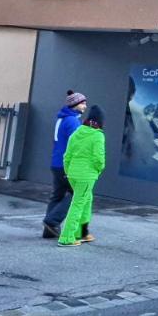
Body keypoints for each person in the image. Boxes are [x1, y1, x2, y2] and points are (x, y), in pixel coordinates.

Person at [58, 105, 106, 247]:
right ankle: (67, 237)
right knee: (78, 203)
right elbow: (99, 159)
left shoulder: (77, 132)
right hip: (86, 175)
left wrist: (68, 171)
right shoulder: (98, 135)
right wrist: (99, 170)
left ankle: (82, 232)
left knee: (86, 199)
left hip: (73, 173)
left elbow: (67, 156)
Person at [43, 90, 86, 239]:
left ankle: (49, 230)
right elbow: (78, 144)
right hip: (66, 165)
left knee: (57, 195)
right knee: (78, 193)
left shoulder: (61, 119)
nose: (85, 106)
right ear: (74, 104)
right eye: (82, 103)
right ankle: (52, 221)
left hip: (56, 163)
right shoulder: (72, 121)